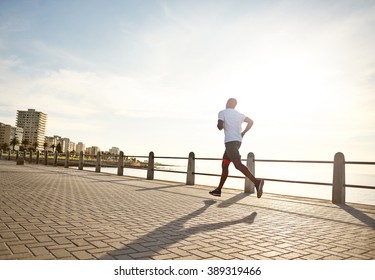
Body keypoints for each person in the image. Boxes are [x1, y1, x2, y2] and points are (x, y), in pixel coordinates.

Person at [209, 98, 264, 198]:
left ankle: (257, 182)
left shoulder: (222, 112)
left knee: (237, 165)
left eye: (227, 102)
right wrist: (243, 133)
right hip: (237, 142)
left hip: (230, 143)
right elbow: (251, 122)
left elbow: (219, 127)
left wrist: (220, 124)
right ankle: (218, 190)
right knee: (225, 165)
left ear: (229, 103)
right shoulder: (239, 115)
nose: (225, 103)